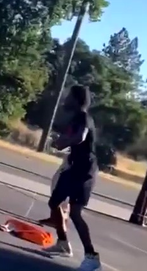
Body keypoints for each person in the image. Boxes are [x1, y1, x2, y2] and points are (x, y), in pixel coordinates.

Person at [42, 85, 102, 271]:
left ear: (77, 99)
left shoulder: (84, 117)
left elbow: (80, 137)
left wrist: (65, 141)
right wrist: (59, 143)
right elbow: (70, 138)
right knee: (54, 203)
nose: (65, 98)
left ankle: (92, 257)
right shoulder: (74, 118)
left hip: (85, 171)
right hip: (73, 167)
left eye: (69, 96)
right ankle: (62, 243)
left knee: (75, 212)